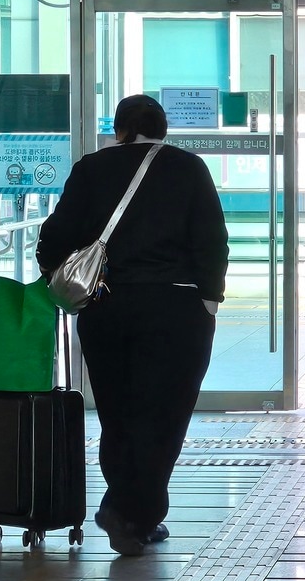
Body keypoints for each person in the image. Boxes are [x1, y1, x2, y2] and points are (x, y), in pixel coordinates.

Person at [35, 94, 229, 557]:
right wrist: (209, 301)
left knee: (117, 413)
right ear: (163, 131)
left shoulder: (91, 169)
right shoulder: (189, 168)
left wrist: (66, 281)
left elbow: (53, 239)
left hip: (107, 307)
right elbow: (213, 240)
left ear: (119, 130)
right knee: (165, 414)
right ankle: (130, 512)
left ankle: (132, 512)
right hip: (176, 309)